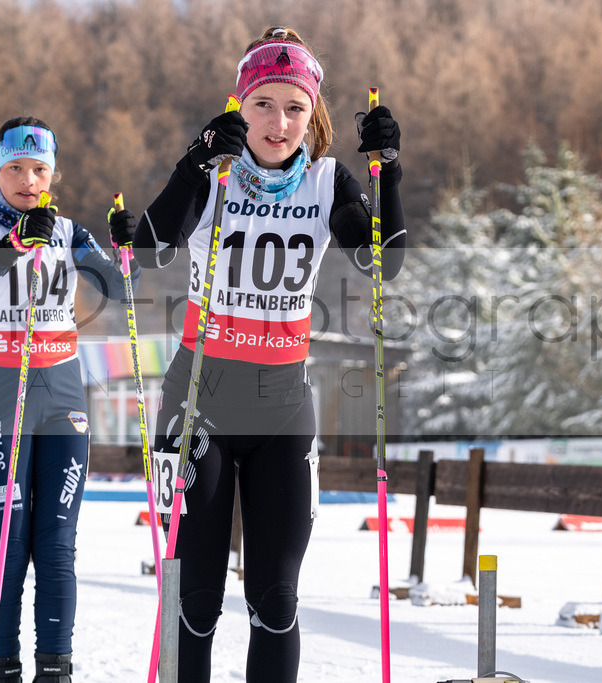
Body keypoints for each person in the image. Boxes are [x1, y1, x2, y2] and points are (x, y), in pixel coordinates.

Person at [132, 25, 406, 683]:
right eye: (263, 104)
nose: (278, 122)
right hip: (202, 396)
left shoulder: (325, 181)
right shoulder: (215, 174)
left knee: (275, 599)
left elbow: (383, 260)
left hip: (284, 405)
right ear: (239, 104)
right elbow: (147, 245)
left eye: (295, 108)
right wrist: (192, 160)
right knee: (196, 598)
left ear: (313, 115)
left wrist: (388, 170)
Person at [0, 116, 138, 682]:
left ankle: (55, 669)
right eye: (15, 168)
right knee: (8, 546)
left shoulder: (68, 232)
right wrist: (13, 244)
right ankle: (1, 667)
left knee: (57, 545)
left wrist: (123, 246)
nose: (28, 180)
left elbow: (116, 285)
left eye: (39, 169)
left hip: (61, 392)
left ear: (52, 173)